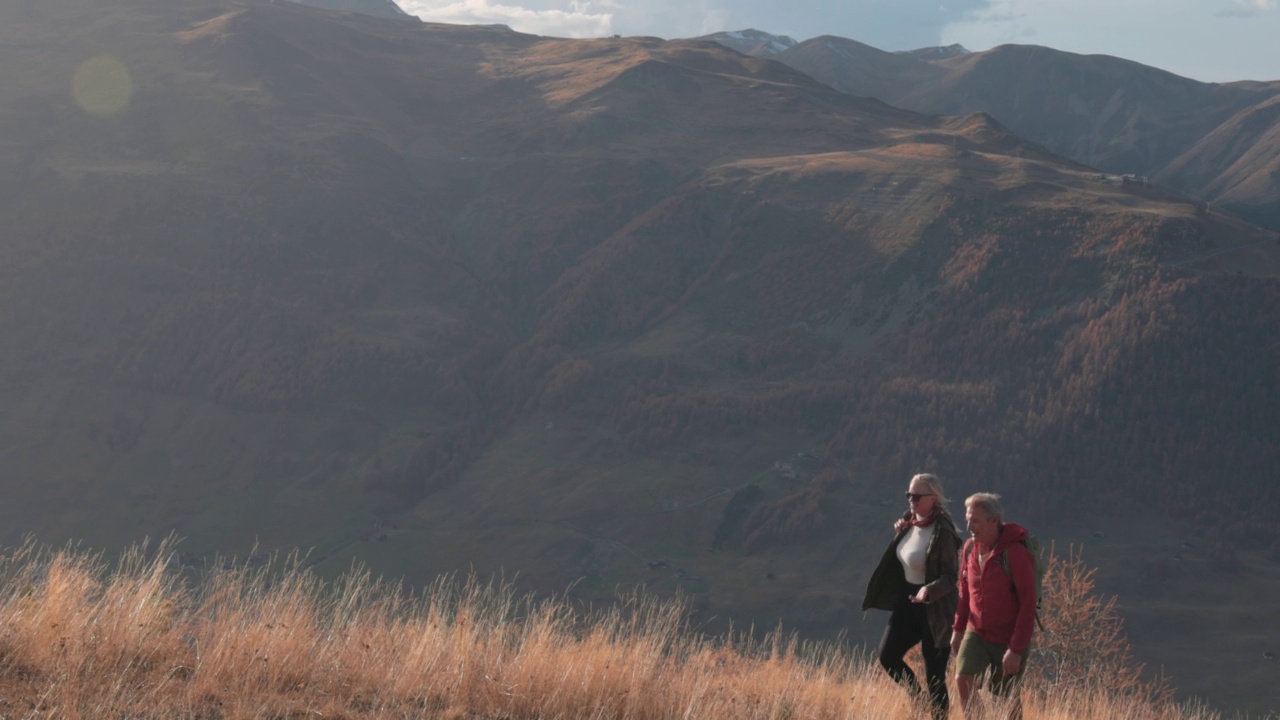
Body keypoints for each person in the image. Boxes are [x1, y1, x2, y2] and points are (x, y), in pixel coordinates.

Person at [862, 473, 961, 720]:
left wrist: (929, 590)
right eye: (908, 495)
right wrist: (900, 533)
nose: (911, 501)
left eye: (916, 496)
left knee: (935, 675)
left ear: (933, 498)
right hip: (907, 602)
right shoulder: (909, 522)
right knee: (887, 656)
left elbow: (951, 577)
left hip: (936, 608)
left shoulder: (944, 532)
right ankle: (917, 699)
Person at [951, 493, 1036, 720]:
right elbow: (964, 591)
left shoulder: (1015, 553)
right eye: (968, 520)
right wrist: (958, 629)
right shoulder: (969, 548)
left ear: (994, 521)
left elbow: (1028, 603)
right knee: (963, 678)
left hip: (1008, 637)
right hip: (976, 631)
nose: (969, 526)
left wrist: (1016, 650)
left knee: (1005, 697)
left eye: (975, 521)